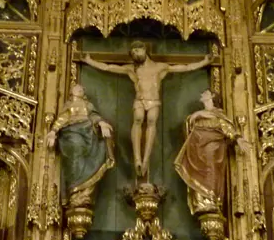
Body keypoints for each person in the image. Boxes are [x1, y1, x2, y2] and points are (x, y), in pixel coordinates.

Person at [80, 41, 211, 178]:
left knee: (151, 121)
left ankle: (146, 159)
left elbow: (185, 67)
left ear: (144, 49)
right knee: (138, 119)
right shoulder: (132, 69)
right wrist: (89, 60)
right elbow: (108, 67)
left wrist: (203, 62)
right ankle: (137, 158)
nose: (135, 55)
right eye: (133, 53)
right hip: (140, 100)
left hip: (154, 101)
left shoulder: (160, 67)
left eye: (137, 51)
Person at [175, 90, 248, 216]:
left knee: (211, 171)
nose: (202, 94)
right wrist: (196, 116)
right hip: (196, 150)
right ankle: (200, 202)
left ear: (212, 97)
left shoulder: (218, 115)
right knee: (198, 173)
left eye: (205, 93)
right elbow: (188, 129)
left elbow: (227, 128)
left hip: (212, 149)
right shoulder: (197, 115)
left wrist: (238, 138)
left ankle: (210, 200)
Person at [46, 84, 114, 207]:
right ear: (72, 92)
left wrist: (102, 123)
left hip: (88, 133)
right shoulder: (68, 105)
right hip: (71, 134)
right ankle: (75, 191)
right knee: (75, 149)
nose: (81, 90)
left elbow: (94, 116)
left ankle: (84, 192)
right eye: (78, 89)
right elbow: (62, 119)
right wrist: (53, 132)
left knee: (97, 147)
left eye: (82, 89)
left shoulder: (88, 105)